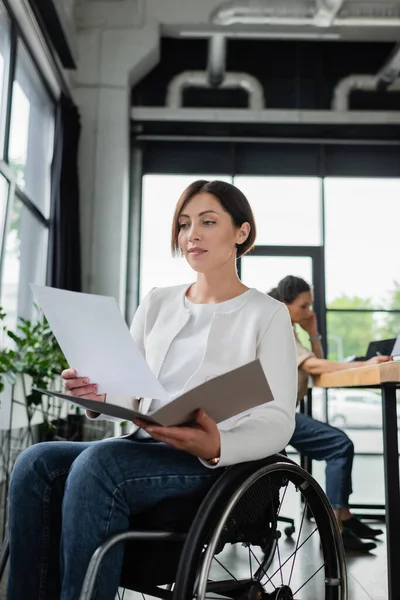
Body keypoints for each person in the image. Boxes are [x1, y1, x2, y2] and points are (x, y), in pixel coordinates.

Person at [7, 180, 297, 600]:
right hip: (146, 445)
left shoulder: (266, 315)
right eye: (183, 224)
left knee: (100, 464)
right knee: (35, 462)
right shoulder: (158, 301)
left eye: (207, 221)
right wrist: (99, 394)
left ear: (242, 233)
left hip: (210, 462)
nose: (191, 234)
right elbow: (132, 394)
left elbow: (278, 420)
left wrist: (218, 443)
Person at [268, 275, 390, 553]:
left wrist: (313, 331)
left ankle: (343, 516)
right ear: (285, 303)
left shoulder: (287, 325)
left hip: (279, 410)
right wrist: (368, 363)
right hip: (273, 413)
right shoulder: (277, 326)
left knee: (338, 444)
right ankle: (336, 528)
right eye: (304, 306)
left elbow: (314, 358)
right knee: (339, 444)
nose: (309, 312)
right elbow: (313, 365)